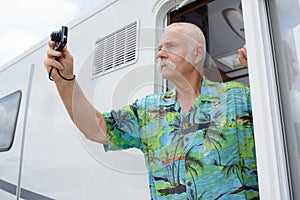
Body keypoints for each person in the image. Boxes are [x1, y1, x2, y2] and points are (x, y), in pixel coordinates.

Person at [44, 22, 259, 199]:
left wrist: (260, 67)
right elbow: (96, 129)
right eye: (159, 48)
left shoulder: (237, 97)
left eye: (171, 46)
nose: (160, 54)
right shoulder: (148, 110)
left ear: (196, 54)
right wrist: (64, 80)